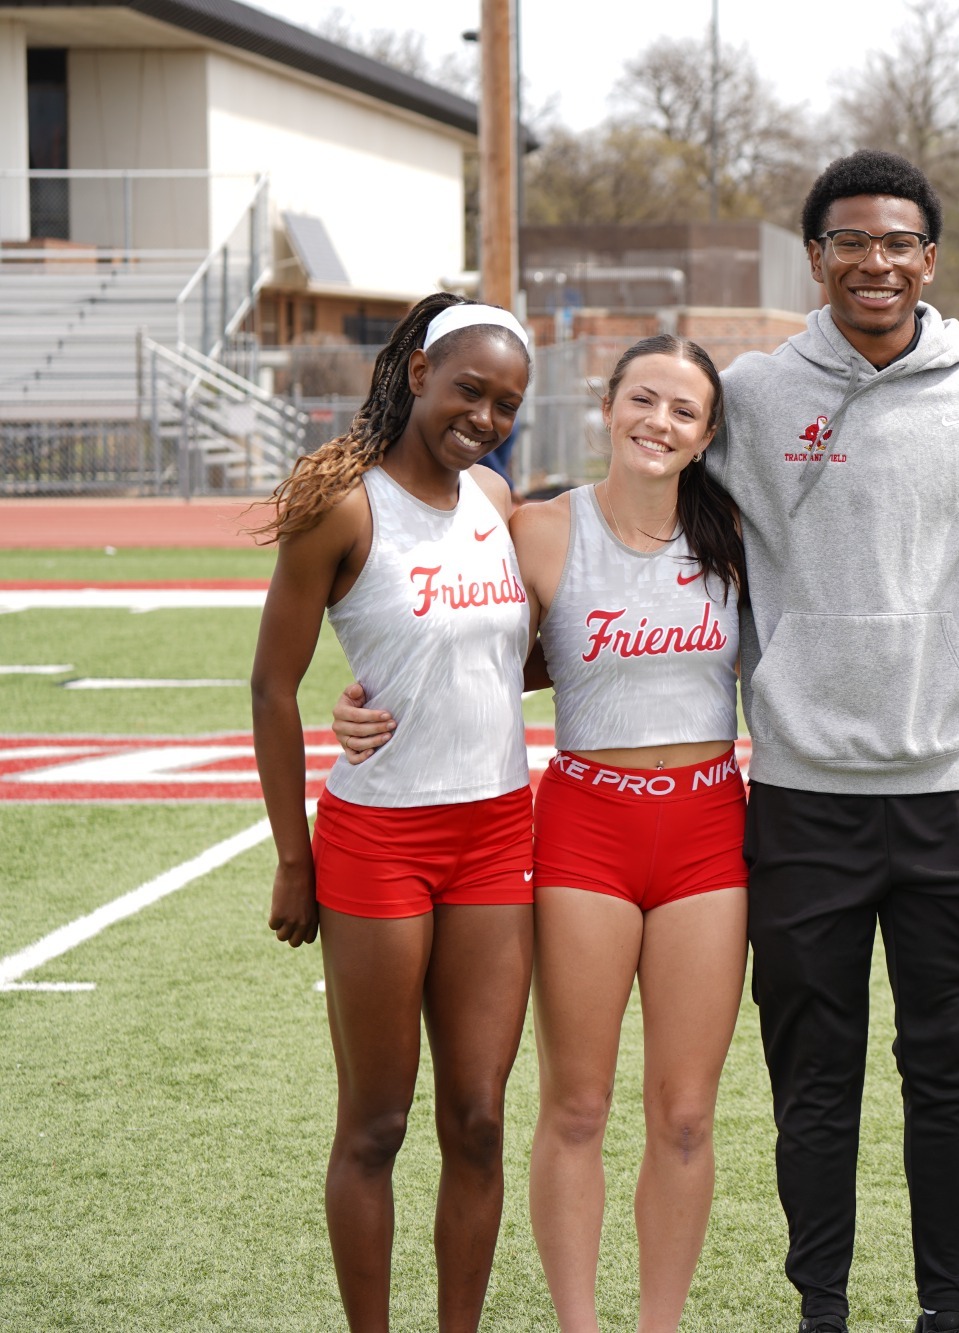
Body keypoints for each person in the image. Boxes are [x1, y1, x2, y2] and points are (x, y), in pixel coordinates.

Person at [334, 334, 751, 1328]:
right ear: (608, 405)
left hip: (704, 831)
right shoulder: (535, 531)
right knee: (575, 1104)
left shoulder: (737, 534)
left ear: (705, 434)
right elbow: (468, 650)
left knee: (686, 1115)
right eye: (642, 399)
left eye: (682, 411)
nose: (659, 422)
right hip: (583, 829)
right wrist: (362, 703)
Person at [709, 150, 959, 1333]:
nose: (876, 263)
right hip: (801, 796)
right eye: (851, 242)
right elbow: (640, 507)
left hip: (954, 788)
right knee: (813, 1083)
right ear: (815, 257)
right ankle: (821, 1307)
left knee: (944, 1078)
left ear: (929, 260)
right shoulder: (747, 396)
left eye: (898, 243)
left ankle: (946, 1308)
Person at [249, 293, 537, 1333]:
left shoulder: (495, 501)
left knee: (480, 1117)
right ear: (416, 371)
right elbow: (271, 685)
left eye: (506, 402)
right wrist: (295, 858)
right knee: (375, 1125)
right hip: (381, 841)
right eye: (470, 388)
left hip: (499, 831)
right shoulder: (341, 501)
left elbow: (512, 658)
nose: (486, 415)